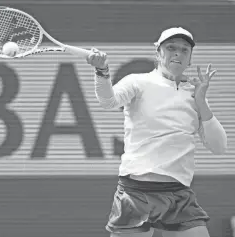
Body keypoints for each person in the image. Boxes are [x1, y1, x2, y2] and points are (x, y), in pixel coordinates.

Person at [87, 27, 227, 237]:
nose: (178, 53)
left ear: (189, 59)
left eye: (184, 50)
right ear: (158, 53)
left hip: (178, 194)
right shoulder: (138, 82)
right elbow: (108, 101)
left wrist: (201, 103)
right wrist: (102, 71)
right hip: (136, 192)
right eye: (171, 48)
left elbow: (219, 147)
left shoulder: (195, 93)